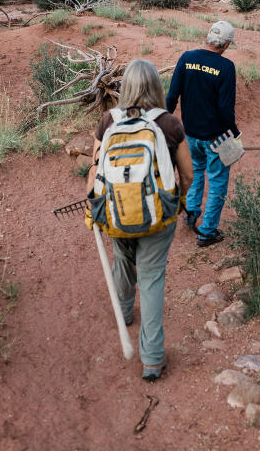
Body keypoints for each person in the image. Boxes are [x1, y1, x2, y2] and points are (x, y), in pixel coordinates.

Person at [87, 59, 193, 382]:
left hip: (117, 213)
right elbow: (187, 174)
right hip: (158, 218)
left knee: (122, 256)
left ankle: (123, 310)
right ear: (155, 88)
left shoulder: (108, 121)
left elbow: (94, 171)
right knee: (151, 277)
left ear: (126, 87)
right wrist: (181, 202)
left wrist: (92, 208)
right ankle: (151, 359)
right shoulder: (169, 124)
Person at [166, 20, 239, 248]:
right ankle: (207, 232)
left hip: (190, 134)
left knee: (196, 173)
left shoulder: (187, 58)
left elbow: (172, 96)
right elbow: (225, 109)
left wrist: (164, 122)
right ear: (226, 44)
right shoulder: (226, 67)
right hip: (217, 136)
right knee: (217, 182)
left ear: (209, 37)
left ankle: (191, 213)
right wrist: (234, 134)